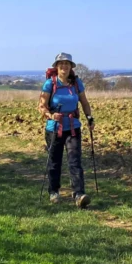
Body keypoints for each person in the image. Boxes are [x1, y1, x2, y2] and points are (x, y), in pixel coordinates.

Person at [39, 52, 94, 208]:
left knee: (75, 161)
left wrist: (89, 118)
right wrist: (50, 115)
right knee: (54, 161)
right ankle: (53, 191)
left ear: (71, 67)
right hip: (54, 128)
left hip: (73, 127)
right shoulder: (50, 84)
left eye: (67, 64)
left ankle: (79, 194)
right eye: (61, 64)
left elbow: (84, 102)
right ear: (56, 67)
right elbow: (41, 106)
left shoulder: (77, 84)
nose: (64, 66)